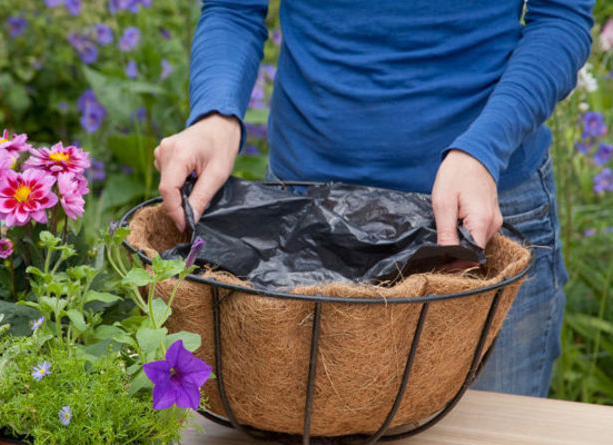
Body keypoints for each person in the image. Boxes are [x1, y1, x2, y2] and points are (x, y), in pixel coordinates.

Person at [153, 1, 594, 397]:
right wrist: (216, 113)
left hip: (477, 217)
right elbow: (233, 8)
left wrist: (484, 148)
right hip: (298, 225)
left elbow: (560, 15)